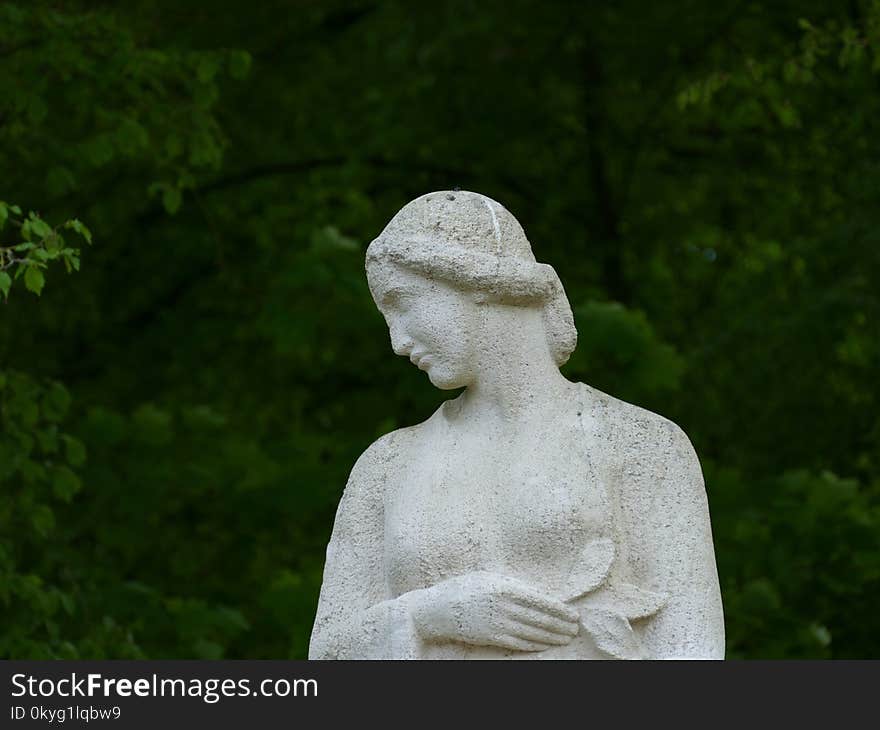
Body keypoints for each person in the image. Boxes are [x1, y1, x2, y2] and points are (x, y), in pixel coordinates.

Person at [309, 191, 724, 659]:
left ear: (474, 280)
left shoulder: (641, 443)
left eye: (403, 303)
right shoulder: (387, 465)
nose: (397, 341)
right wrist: (429, 616)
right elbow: (326, 656)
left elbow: (690, 644)